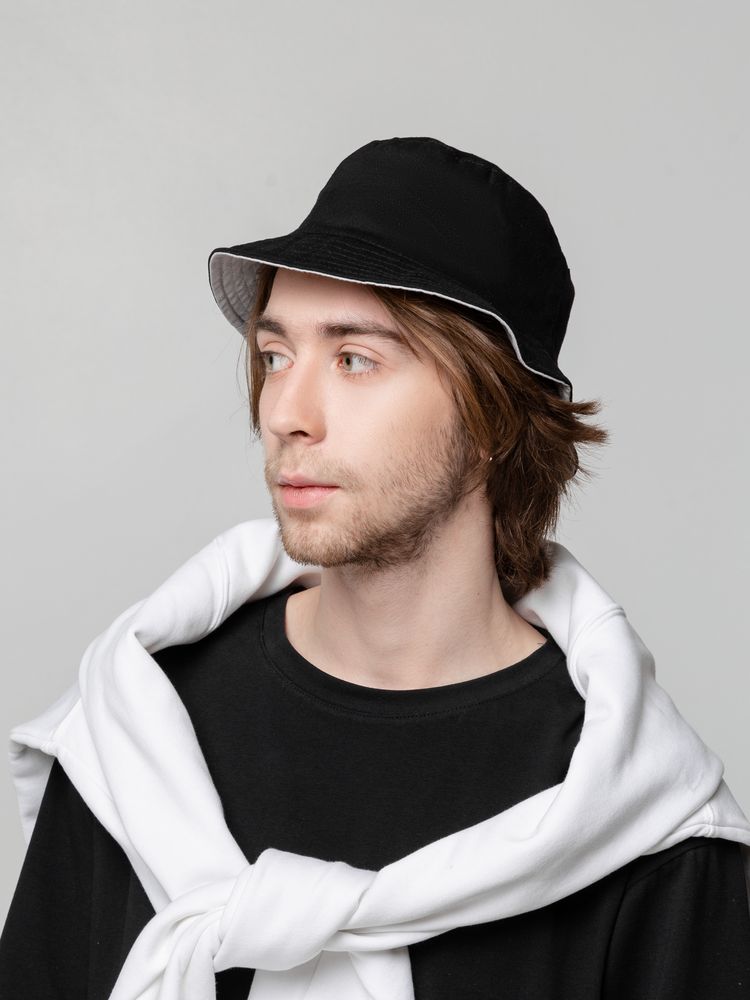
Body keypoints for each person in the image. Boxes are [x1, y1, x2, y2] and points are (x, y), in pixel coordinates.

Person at [2, 136, 749, 998]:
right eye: (275, 355)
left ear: (493, 418)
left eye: (355, 359)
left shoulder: (639, 822)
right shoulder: (136, 735)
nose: (286, 412)